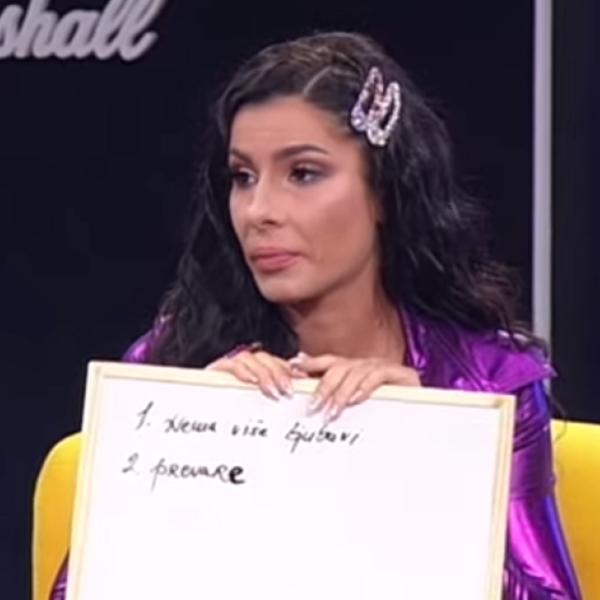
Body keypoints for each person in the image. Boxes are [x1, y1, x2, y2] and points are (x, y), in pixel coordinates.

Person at [49, 31, 581, 599]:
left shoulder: (491, 381)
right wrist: (190, 454)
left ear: (386, 191)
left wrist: (428, 454)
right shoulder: (174, 363)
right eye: (243, 177)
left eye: (302, 174)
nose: (259, 211)